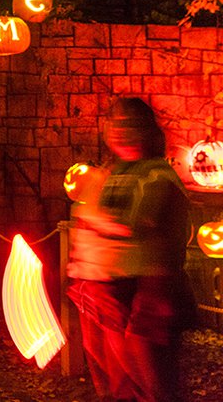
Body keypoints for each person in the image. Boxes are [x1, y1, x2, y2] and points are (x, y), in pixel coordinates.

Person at [67, 97, 194, 402]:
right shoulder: (109, 173)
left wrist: (97, 222)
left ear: (147, 131)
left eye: (130, 124)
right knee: (112, 376)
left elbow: (135, 223)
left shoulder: (156, 175)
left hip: (149, 285)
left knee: (145, 372)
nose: (121, 131)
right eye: (114, 123)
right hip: (104, 283)